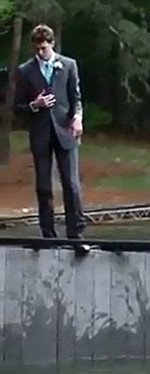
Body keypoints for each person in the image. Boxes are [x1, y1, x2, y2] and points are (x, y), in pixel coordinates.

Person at [12, 24, 86, 239]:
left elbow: (76, 98)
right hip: (40, 132)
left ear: (51, 44)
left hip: (65, 130)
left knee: (71, 184)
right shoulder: (26, 71)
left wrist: (78, 118)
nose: (40, 52)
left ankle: (76, 233)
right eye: (37, 49)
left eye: (43, 48)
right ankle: (48, 234)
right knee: (44, 186)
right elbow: (18, 107)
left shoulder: (68, 65)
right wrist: (35, 104)